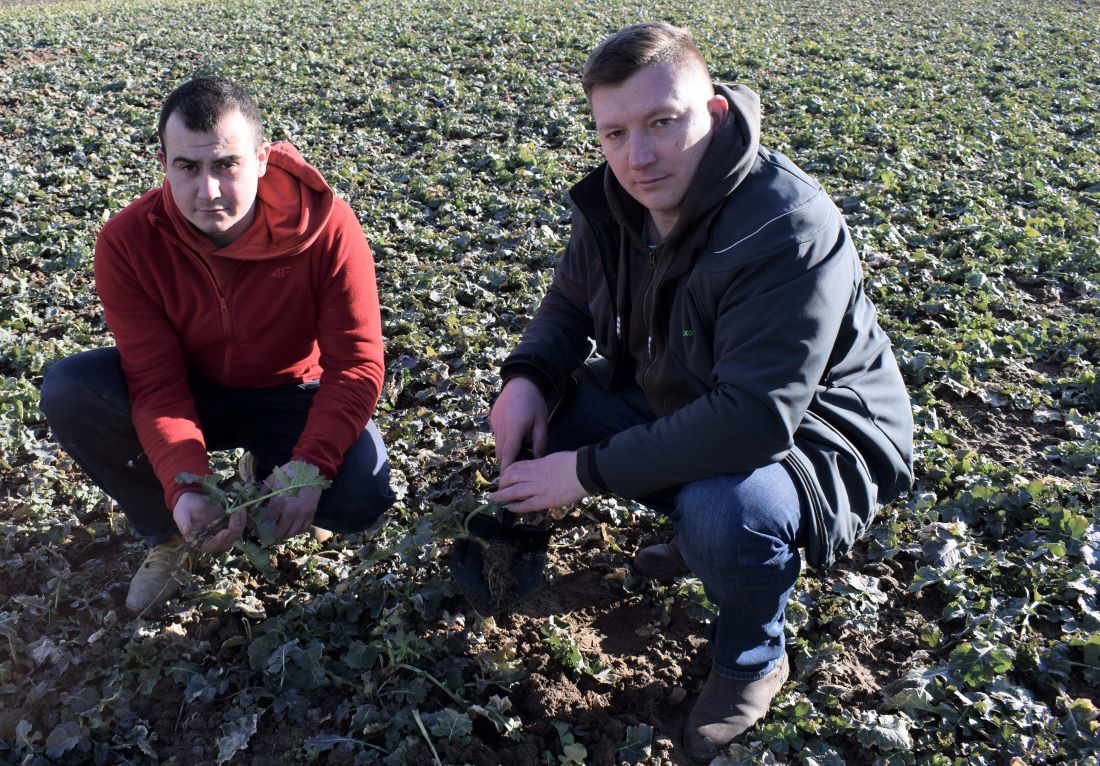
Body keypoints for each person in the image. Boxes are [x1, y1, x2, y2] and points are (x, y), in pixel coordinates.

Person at [488, 22, 914, 762]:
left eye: (662, 122)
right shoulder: (618, 201)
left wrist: (585, 473)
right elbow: (567, 303)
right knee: (547, 419)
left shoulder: (784, 226)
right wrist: (526, 377)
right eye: (614, 133)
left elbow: (753, 419)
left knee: (727, 510)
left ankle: (752, 655)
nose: (638, 155)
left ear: (713, 114)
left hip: (816, 437)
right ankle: (682, 537)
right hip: (682, 397)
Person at [40, 77, 395, 615]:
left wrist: (310, 466)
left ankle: (269, 468)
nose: (207, 191)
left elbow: (357, 364)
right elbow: (156, 383)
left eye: (225, 165)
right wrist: (185, 483)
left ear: (260, 160)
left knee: (358, 500)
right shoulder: (128, 241)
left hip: (291, 389)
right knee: (71, 388)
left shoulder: (328, 228)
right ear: (163, 162)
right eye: (188, 167)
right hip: (191, 388)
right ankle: (167, 534)